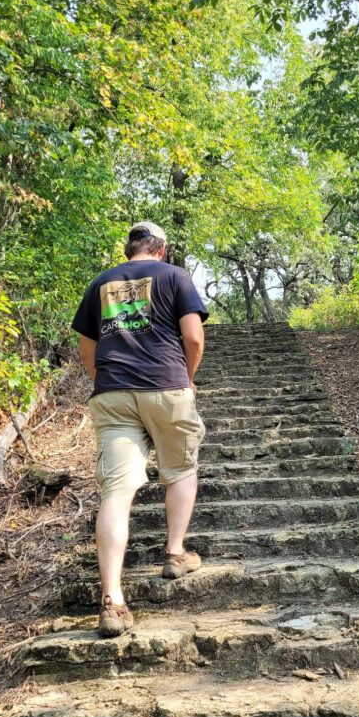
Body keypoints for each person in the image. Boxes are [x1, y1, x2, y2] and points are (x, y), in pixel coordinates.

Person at [71, 222, 208, 637]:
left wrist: (105, 379)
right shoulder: (174, 276)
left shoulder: (102, 281)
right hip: (165, 386)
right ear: (161, 249)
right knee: (180, 469)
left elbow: (86, 346)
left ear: (129, 248)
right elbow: (194, 337)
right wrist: (186, 377)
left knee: (116, 490)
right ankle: (174, 553)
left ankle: (112, 599)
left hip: (112, 393)